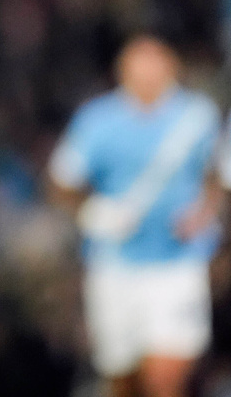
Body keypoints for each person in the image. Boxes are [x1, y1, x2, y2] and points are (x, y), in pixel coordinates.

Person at [48, 32, 224, 397]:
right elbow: (61, 182)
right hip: (114, 267)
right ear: (122, 70)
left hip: (177, 265)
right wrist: (93, 211)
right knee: (122, 378)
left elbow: (216, 175)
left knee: (165, 378)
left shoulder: (197, 117)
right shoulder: (97, 121)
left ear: (171, 67)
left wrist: (204, 213)